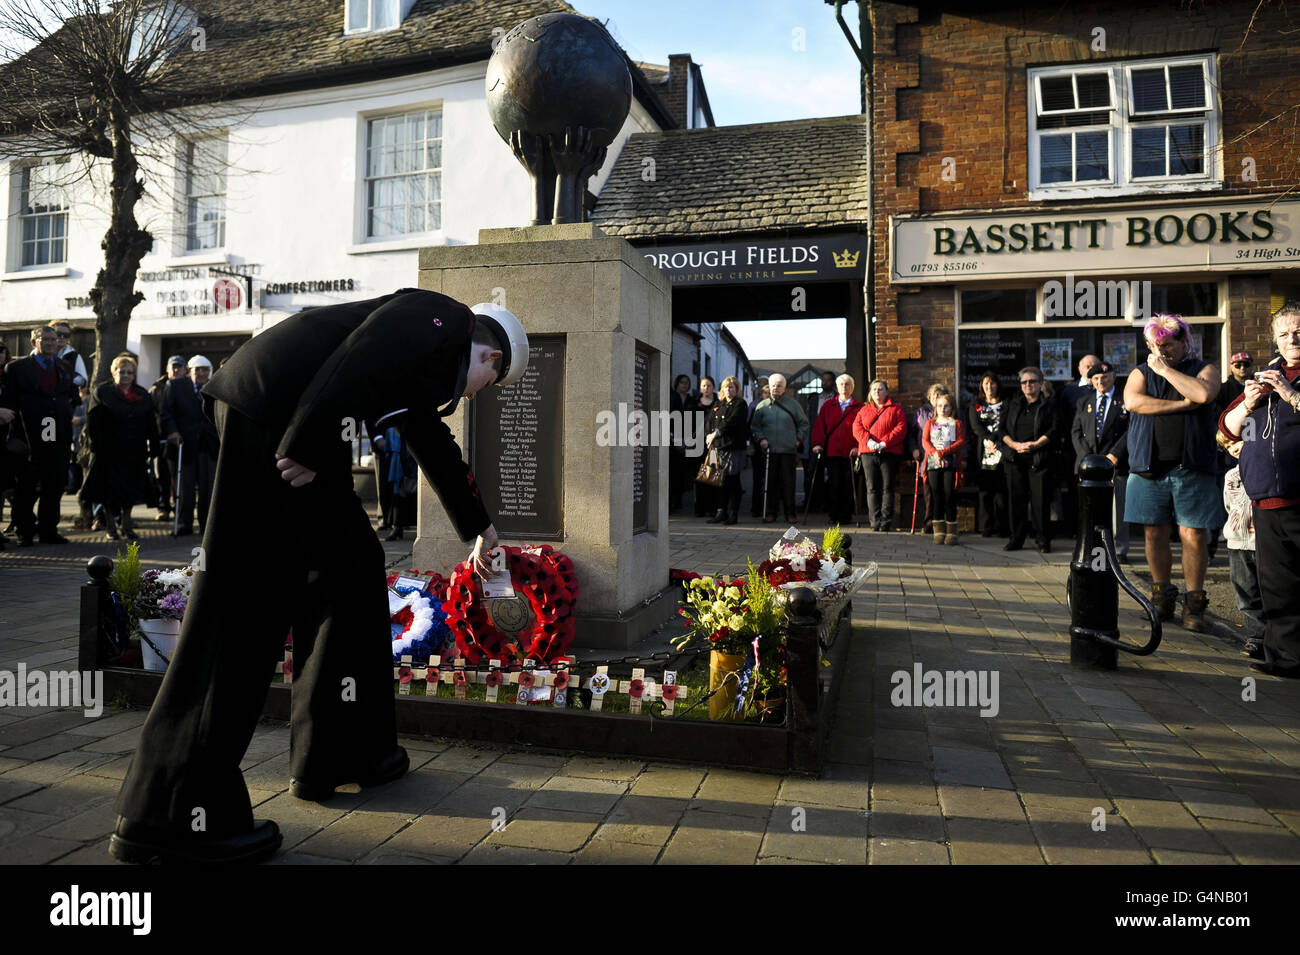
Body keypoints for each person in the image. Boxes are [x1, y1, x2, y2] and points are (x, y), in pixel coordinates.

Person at [110, 289, 529, 864]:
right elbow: (364, 349)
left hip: (292, 418)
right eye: (490, 384)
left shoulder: (422, 370)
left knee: (354, 565)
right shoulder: (444, 318)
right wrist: (306, 441)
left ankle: (342, 750)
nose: (476, 394)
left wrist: (481, 528)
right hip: (273, 419)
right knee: (242, 604)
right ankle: (170, 812)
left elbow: (431, 442)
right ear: (492, 360)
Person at [1123, 313, 1221, 630]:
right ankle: (1161, 596)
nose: (1160, 352)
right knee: (1154, 533)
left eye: (1166, 345)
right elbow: (1134, 402)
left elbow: (1203, 394)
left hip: (1191, 465)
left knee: (1193, 534)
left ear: (1183, 342)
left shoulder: (1203, 369)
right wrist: (1181, 405)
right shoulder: (1140, 372)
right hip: (1149, 465)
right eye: (1154, 346)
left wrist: (1166, 371)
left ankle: (1194, 603)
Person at [1219, 300, 1300, 677]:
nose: (1292, 339)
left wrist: (1289, 393)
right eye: (1283, 334)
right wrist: (1248, 403)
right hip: (1266, 500)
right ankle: (1285, 659)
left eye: (1299, 331)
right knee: (1276, 585)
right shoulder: (1266, 376)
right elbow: (1225, 429)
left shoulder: (1284, 382)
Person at [0, 325, 75, 545]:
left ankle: (48, 529)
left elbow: (68, 396)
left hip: (56, 432)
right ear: (34, 342)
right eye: (46, 339)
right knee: (27, 484)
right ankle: (24, 530)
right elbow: (10, 401)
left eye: (55, 339)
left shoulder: (64, 367)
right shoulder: (17, 368)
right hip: (29, 433)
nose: (52, 343)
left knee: (55, 481)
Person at [82, 355, 160, 541]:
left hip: (135, 450)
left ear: (134, 375)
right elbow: (93, 421)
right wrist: (96, 447)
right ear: (114, 372)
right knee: (111, 491)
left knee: (131, 489)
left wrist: (154, 446)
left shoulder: (142, 394)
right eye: (121, 371)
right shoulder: (103, 392)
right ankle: (111, 526)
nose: (125, 375)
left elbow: (151, 422)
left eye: (129, 372)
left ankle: (127, 524)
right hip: (109, 451)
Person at [1070, 362, 1130, 561]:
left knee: (1116, 510)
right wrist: (1087, 457)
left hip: (1115, 463)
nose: (1100, 382)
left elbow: (1130, 430)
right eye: (1095, 379)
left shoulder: (1124, 401)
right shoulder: (1084, 401)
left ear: (1113, 377)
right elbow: (1076, 432)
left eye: (1104, 378)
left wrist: (1114, 454)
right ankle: (1092, 545)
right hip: (1089, 465)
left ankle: (1119, 549)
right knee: (1090, 508)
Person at [162, 355, 221, 537]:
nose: (202, 373)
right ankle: (184, 523)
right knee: (184, 487)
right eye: (198, 370)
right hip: (185, 443)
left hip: (208, 445)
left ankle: (206, 525)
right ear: (190, 371)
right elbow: (166, 413)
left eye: (205, 370)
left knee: (208, 487)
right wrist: (172, 431)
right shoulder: (176, 386)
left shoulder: (216, 388)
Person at [1001, 366, 1056, 553]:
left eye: (1032, 381)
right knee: (1016, 501)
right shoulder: (1012, 404)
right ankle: (1016, 539)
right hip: (1015, 458)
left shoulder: (1049, 404)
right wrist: (1015, 445)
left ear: (1041, 384)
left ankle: (1043, 540)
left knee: (1040, 502)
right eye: (1024, 382)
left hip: (1038, 458)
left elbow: (1055, 430)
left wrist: (1036, 444)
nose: (1028, 385)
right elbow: (1001, 430)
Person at [1219, 442, 1264, 659]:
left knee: (1268, 590)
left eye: (1237, 442)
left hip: (1260, 540)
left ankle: (1273, 637)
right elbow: (1229, 505)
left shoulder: (1264, 469)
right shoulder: (1230, 476)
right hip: (1237, 541)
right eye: (1228, 445)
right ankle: (1256, 637)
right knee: (1245, 592)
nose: (1234, 448)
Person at [750, 373, 808, 524]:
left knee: (789, 483)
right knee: (770, 483)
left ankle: (790, 512)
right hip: (769, 451)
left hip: (788, 450)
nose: (776, 388)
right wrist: (761, 438)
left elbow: (804, 423)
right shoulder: (762, 406)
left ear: (785, 388)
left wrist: (798, 439)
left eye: (779, 385)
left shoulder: (793, 404)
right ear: (769, 387)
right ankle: (771, 512)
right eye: (773, 385)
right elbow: (755, 427)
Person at [851, 379, 906, 531]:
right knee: (872, 487)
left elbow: (900, 428)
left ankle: (886, 521)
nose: (877, 392)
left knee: (888, 487)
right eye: (874, 389)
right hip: (868, 453)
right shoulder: (864, 410)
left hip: (889, 453)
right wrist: (868, 441)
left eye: (880, 389)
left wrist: (884, 443)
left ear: (886, 392)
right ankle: (875, 521)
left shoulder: (896, 409)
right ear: (870, 393)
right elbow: (857, 428)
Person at [813, 373, 862, 527]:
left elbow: (864, 429)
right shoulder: (828, 405)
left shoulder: (859, 407)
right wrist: (817, 443)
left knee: (848, 485)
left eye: (847, 384)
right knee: (833, 484)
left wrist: (858, 446)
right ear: (837, 387)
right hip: (832, 452)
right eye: (841, 384)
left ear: (852, 387)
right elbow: (820, 426)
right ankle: (833, 515)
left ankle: (846, 515)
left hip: (850, 453)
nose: (844, 387)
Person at [967, 372, 1007, 538]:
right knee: (985, 492)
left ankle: (1002, 527)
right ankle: (986, 527)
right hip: (982, 452)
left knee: (1001, 492)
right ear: (981, 387)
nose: (989, 387)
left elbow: (1007, 423)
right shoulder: (976, 404)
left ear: (997, 385)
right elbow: (975, 426)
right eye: (986, 384)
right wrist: (988, 439)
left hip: (1001, 451)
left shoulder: (1006, 404)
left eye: (992, 383)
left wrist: (996, 439)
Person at [923, 393, 966, 545]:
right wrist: (935, 453)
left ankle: (951, 533)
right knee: (936, 497)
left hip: (950, 464)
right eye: (940, 405)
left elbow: (960, 442)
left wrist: (943, 453)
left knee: (949, 496)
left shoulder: (956, 423)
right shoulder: (930, 423)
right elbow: (925, 441)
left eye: (946, 405)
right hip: (933, 464)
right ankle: (939, 531)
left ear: (952, 407)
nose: (943, 408)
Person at [705, 375, 749, 525]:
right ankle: (721, 512)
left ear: (736, 389)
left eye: (731, 387)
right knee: (719, 481)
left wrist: (715, 434)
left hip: (733, 448)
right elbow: (709, 422)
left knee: (733, 480)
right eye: (726, 387)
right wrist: (708, 437)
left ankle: (733, 513)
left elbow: (732, 422)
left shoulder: (740, 404)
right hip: (718, 447)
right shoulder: (718, 404)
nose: (728, 390)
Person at [150, 355, 188, 523]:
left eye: (179, 367)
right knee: (162, 475)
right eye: (172, 367)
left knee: (179, 476)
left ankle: (179, 508)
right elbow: (151, 412)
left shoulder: (189, 387)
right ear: (166, 368)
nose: (175, 370)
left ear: (185, 369)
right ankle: (163, 507)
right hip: (162, 439)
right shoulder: (157, 388)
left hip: (181, 438)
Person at [906, 383, 949, 533]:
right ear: (929, 397)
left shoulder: (950, 412)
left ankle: (943, 522)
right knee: (929, 493)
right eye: (934, 395)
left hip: (945, 457)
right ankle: (929, 522)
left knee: (944, 491)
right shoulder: (920, 413)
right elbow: (911, 433)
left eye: (940, 395)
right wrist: (914, 449)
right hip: (926, 458)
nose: (936, 398)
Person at [693, 376, 719, 518]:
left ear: (713, 387)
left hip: (713, 444)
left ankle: (712, 508)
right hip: (697, 443)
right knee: (699, 476)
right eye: (704, 385)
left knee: (712, 475)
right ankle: (699, 508)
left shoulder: (718, 403)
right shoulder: (695, 403)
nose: (706, 388)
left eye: (709, 385)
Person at [668, 374, 692, 512]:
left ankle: (678, 501)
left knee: (680, 473)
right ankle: (671, 502)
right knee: (672, 473)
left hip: (685, 439)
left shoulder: (690, 400)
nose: (684, 385)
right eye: (682, 382)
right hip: (672, 439)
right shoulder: (672, 396)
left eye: (686, 383)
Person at [748, 377, 770, 517]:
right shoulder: (754, 405)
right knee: (758, 478)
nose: (768, 395)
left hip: (773, 446)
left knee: (771, 479)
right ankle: (756, 507)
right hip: (758, 446)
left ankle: (769, 507)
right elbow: (749, 425)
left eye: (769, 392)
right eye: (765, 392)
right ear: (761, 394)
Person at [53, 321, 88, 392]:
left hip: (65, 398)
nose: (62, 337)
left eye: (66, 335)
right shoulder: (38, 353)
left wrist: (67, 378)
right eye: (58, 334)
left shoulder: (74, 356)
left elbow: (83, 381)